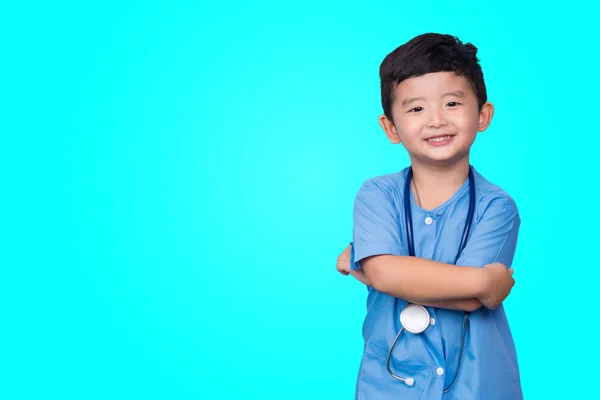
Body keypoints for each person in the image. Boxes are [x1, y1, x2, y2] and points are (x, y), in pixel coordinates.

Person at [335, 33, 523, 399]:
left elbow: (464, 300)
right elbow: (389, 273)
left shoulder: (497, 207)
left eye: (452, 103)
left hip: (478, 382)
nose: (436, 120)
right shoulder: (378, 195)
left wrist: (369, 270)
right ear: (391, 127)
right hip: (391, 383)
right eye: (416, 109)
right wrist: (484, 284)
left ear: (483, 115)